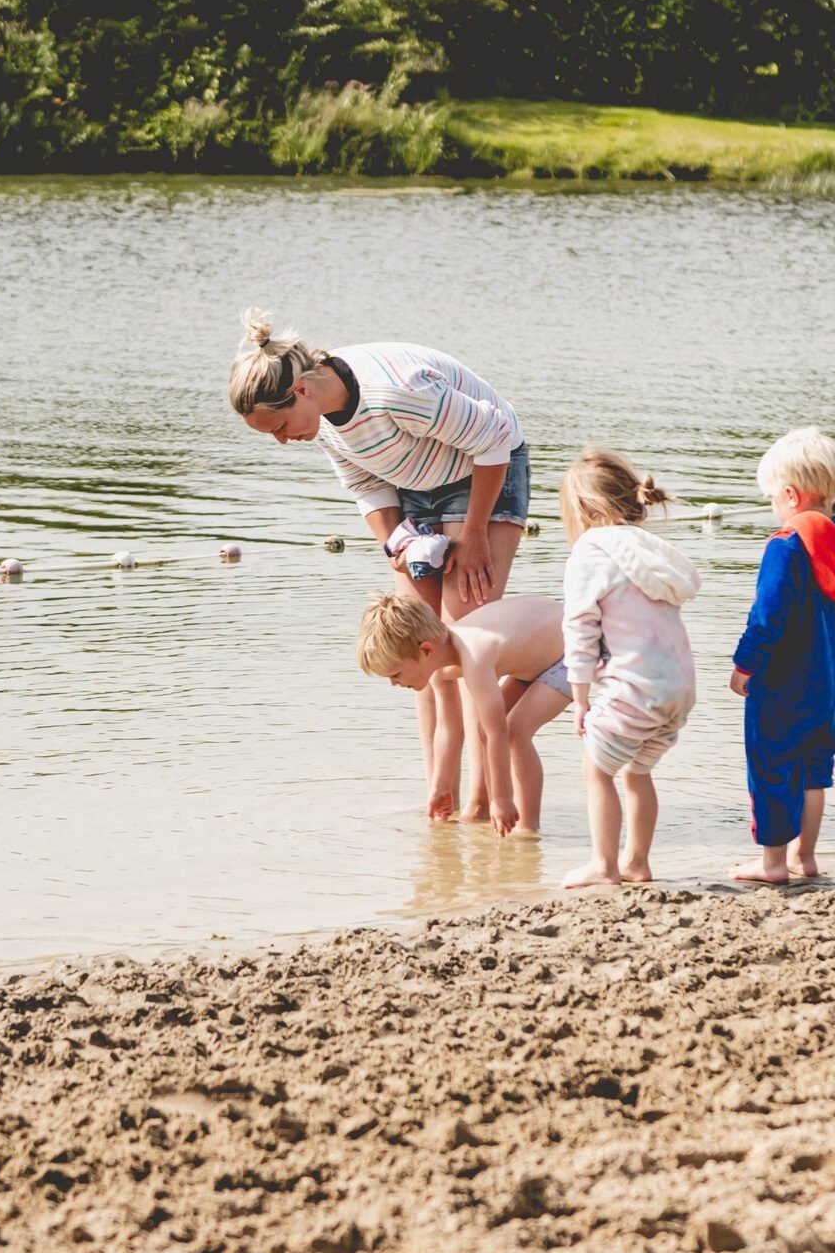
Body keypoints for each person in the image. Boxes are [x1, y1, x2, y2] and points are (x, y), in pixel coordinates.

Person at [229, 312, 529, 817]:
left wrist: (475, 535)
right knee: (417, 647)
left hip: (479, 471)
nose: (282, 441)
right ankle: (441, 798)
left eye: (279, 428)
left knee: (462, 643)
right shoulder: (321, 422)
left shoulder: (395, 391)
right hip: (411, 483)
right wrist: (397, 544)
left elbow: (496, 436)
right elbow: (367, 485)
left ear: (301, 390)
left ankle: (483, 803)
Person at [729, 426, 835, 885]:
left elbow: (767, 616)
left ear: (790, 495)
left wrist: (743, 664)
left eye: (773, 498)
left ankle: (773, 864)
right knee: (814, 773)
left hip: (784, 686)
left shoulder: (786, 545)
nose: (774, 507)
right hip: (830, 686)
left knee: (772, 768)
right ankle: (804, 858)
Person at [559, 450, 700, 891]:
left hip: (635, 688)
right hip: (678, 688)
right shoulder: (651, 550)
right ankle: (636, 862)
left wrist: (580, 701)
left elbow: (580, 628)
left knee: (596, 769)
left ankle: (604, 865)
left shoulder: (590, 552)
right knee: (637, 772)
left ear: (583, 509)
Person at [357, 590, 569, 838]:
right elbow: (448, 728)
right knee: (483, 731)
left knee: (514, 731)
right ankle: (503, 822)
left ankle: (527, 830)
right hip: (536, 659)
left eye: (396, 674)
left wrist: (501, 798)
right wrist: (440, 786)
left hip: (575, 651)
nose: (394, 684)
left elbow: (497, 731)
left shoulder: (474, 657)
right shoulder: (438, 663)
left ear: (425, 651)